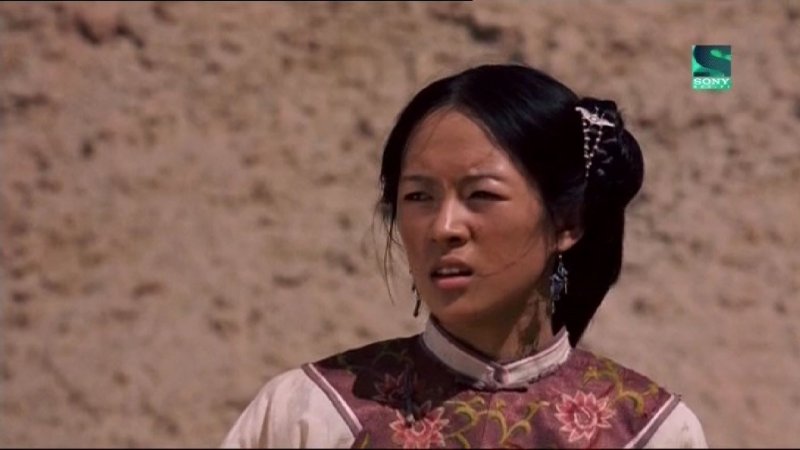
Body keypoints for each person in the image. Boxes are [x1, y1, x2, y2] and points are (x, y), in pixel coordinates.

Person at [221, 64, 708, 448]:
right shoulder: (308, 414)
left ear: (567, 222)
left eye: (481, 195)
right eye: (419, 196)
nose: (444, 227)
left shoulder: (645, 432)